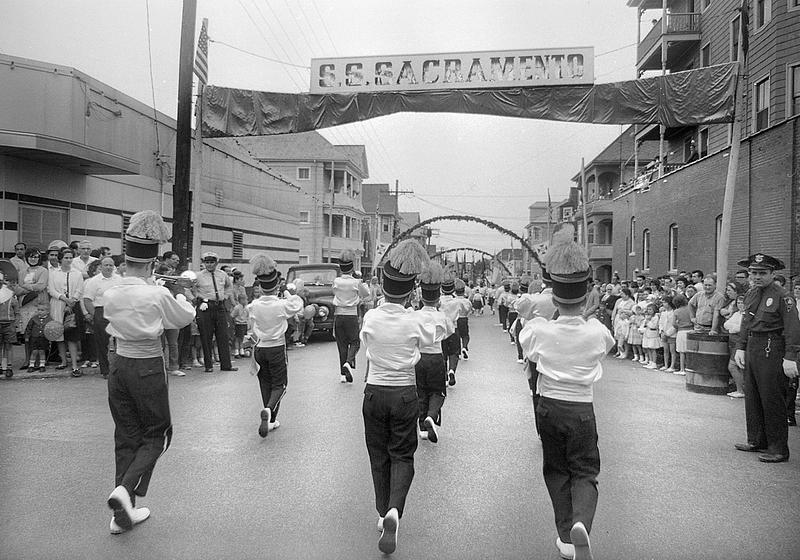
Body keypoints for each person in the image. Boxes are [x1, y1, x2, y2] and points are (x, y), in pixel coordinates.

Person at [518, 224, 615, 560]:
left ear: (554, 295)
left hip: (548, 406)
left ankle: (566, 535)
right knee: (585, 471)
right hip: (581, 408)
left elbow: (526, 345)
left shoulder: (538, 329)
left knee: (557, 470)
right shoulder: (596, 331)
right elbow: (607, 347)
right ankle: (582, 524)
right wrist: (587, 315)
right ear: (586, 295)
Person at [103, 210, 195, 534]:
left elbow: (129, 298)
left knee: (126, 435)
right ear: (153, 263)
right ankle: (125, 491)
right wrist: (179, 293)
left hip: (117, 364)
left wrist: (150, 284)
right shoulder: (158, 292)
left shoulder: (111, 290)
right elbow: (182, 317)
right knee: (158, 433)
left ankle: (122, 514)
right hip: (147, 365)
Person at [360, 240, 442, 555]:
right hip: (405, 393)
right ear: (410, 290)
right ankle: (395, 508)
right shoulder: (415, 320)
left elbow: (365, 343)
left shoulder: (371, 318)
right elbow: (431, 338)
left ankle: (383, 512)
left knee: (377, 455)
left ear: (382, 285)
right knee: (402, 455)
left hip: (374, 391)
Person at [733, 254, 800, 463]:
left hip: (772, 346)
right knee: (752, 395)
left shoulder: (783, 296)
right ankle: (757, 440)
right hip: (754, 345)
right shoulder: (752, 293)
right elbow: (746, 322)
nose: (757, 276)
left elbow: (792, 328)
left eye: (762, 273)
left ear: (773, 273)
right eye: (754, 272)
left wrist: (791, 357)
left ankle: (778, 448)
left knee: (772, 397)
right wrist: (740, 347)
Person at [246, 254, 304, 437]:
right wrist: (286, 291)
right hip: (277, 348)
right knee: (280, 385)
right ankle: (269, 410)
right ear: (276, 286)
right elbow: (298, 304)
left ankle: (270, 419)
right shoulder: (281, 305)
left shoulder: (253, 306)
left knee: (265, 384)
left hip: (260, 348)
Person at [414, 262, 454, 443]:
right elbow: (450, 332)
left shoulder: (414, 316)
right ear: (438, 298)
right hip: (436, 356)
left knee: (421, 392)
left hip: (419, 357)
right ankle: (432, 414)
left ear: (422, 297)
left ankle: (422, 427)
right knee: (438, 391)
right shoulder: (441, 316)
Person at [193, 251, 237, 374]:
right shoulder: (198, 275)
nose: (209, 265)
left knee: (223, 335)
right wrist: (196, 299)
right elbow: (190, 288)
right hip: (205, 306)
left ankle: (226, 365)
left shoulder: (222, 274)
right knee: (206, 336)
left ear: (216, 263)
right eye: (207, 262)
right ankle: (208, 365)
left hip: (219, 306)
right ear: (204, 263)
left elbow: (229, 286)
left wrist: (226, 296)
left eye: (212, 262)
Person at [333, 250, 370, 383]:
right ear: (352, 267)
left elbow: (335, 292)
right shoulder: (356, 282)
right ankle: (348, 362)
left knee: (341, 345)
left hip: (339, 315)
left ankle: (343, 374)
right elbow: (366, 294)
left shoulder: (336, 281)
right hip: (351, 315)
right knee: (355, 342)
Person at [82, 256, 122, 378]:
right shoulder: (94, 281)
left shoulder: (119, 280)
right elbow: (87, 300)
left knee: (119, 342)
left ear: (114, 267)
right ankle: (105, 371)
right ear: (101, 267)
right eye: (106, 265)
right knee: (102, 343)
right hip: (101, 310)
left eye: (111, 265)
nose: (109, 267)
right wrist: (96, 315)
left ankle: (119, 369)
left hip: (117, 311)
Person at [47, 247, 84, 377]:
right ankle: (63, 361)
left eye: (70, 258)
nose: (68, 260)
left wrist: (72, 301)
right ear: (60, 259)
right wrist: (64, 299)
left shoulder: (77, 273)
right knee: (59, 334)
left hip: (73, 306)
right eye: (66, 258)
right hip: (57, 304)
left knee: (72, 335)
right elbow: (51, 290)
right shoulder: (53, 273)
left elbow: (80, 289)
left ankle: (74, 365)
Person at [13, 248, 49, 367]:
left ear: (39, 258)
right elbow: (17, 289)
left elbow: (41, 286)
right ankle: (28, 360)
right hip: (25, 306)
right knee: (27, 335)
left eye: (35, 257)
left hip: (39, 305)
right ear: (27, 258)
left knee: (39, 334)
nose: (33, 259)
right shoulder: (22, 272)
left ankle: (41, 361)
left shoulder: (43, 271)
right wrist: (30, 287)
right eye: (30, 257)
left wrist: (25, 286)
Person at [439, 270, 472, 387]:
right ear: (453, 289)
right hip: (453, 328)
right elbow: (466, 310)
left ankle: (444, 377)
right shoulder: (458, 302)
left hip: (441, 331)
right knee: (454, 353)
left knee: (443, 354)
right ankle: (452, 370)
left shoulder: (439, 301)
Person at [723, 294, 746, 398]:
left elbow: (742, 329)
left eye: (742, 302)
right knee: (738, 367)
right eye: (739, 303)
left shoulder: (746, 315)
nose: (740, 305)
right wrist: (734, 327)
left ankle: (741, 390)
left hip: (740, 343)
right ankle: (740, 389)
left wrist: (733, 328)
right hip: (732, 341)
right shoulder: (737, 313)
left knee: (732, 366)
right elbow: (726, 325)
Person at [0, 272, 20, 377]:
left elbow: (17, 312)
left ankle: (9, 366)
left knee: (9, 346)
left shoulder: (12, 298)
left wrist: (16, 323)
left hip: (9, 323)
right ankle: (1, 366)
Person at [24, 302, 51, 372]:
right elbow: (28, 328)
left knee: (42, 351)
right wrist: (27, 336)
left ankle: (42, 365)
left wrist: (50, 337)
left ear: (47, 311)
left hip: (43, 338)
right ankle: (31, 365)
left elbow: (51, 329)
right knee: (34, 351)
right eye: (38, 310)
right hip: (34, 338)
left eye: (42, 310)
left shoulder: (49, 320)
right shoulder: (33, 319)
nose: (40, 312)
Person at [658, 297, 677, 372]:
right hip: (664, 334)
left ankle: (672, 366)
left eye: (665, 302)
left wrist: (668, 333)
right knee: (665, 350)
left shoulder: (674, 312)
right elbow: (661, 323)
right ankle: (666, 365)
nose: (663, 304)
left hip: (672, 334)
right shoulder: (663, 313)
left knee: (672, 350)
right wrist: (662, 331)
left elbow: (675, 325)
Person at [640, 303, 661, 369]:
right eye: (648, 309)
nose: (649, 311)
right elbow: (644, 324)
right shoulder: (647, 317)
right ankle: (650, 361)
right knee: (648, 348)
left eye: (650, 309)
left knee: (652, 349)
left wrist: (648, 321)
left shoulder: (655, 317)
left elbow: (653, 326)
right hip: (647, 334)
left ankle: (654, 363)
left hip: (653, 334)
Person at [231, 294, 249, 358]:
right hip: (238, 324)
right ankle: (236, 352)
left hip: (244, 324)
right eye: (245, 299)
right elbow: (232, 315)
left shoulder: (246, 308)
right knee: (237, 338)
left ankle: (241, 350)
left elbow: (247, 316)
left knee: (242, 338)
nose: (246, 301)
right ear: (241, 300)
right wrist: (235, 321)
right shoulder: (237, 307)